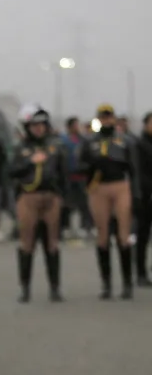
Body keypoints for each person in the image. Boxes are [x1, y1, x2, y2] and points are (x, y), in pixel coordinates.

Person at [81, 104, 142, 300]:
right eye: (103, 117)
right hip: (99, 188)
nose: (106, 120)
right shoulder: (90, 141)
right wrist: (91, 165)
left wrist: (137, 194)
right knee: (103, 235)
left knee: (124, 235)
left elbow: (134, 168)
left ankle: (127, 283)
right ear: (98, 119)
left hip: (120, 186)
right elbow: (79, 164)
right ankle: (106, 284)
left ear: (113, 118)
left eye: (109, 117)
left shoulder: (125, 140)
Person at [8, 104, 67, 303]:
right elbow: (10, 171)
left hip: (51, 197)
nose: (39, 128)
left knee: (52, 243)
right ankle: (25, 288)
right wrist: (30, 162)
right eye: (34, 125)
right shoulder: (20, 148)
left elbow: (63, 172)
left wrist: (62, 197)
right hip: (28, 197)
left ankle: (55, 288)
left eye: (42, 125)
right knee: (27, 243)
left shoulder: (55, 146)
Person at [60, 117, 93, 239]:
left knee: (84, 204)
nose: (77, 127)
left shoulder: (83, 140)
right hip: (68, 177)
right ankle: (66, 227)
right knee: (66, 204)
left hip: (81, 177)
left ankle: (86, 227)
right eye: (75, 125)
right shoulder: (63, 141)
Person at [134, 112, 152, 287]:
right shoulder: (139, 144)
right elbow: (138, 172)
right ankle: (141, 272)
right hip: (145, 196)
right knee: (143, 235)